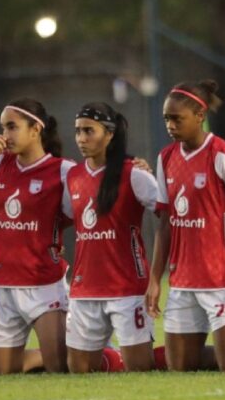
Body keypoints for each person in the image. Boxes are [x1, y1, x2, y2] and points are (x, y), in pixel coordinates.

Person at [145, 80, 225, 372]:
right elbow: (165, 224)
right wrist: (155, 279)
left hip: (224, 281)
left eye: (177, 118)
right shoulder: (166, 158)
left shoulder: (223, 154)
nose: (170, 124)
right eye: (166, 118)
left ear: (199, 116)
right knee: (180, 367)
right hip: (182, 282)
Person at [0, 99, 73, 374]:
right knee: (1, 373)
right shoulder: (0, 163)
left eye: (12, 127)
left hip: (44, 282)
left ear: (36, 129)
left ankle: (99, 351)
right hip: (4, 283)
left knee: (59, 367)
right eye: (3, 127)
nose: (4, 135)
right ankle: (35, 356)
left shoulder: (63, 170)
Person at [63, 102, 159, 372]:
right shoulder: (73, 176)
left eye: (89, 131)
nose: (81, 138)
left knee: (140, 368)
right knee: (78, 370)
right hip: (84, 288)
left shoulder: (135, 174)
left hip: (127, 288)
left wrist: (158, 273)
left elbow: (169, 215)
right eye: (78, 131)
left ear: (110, 134)